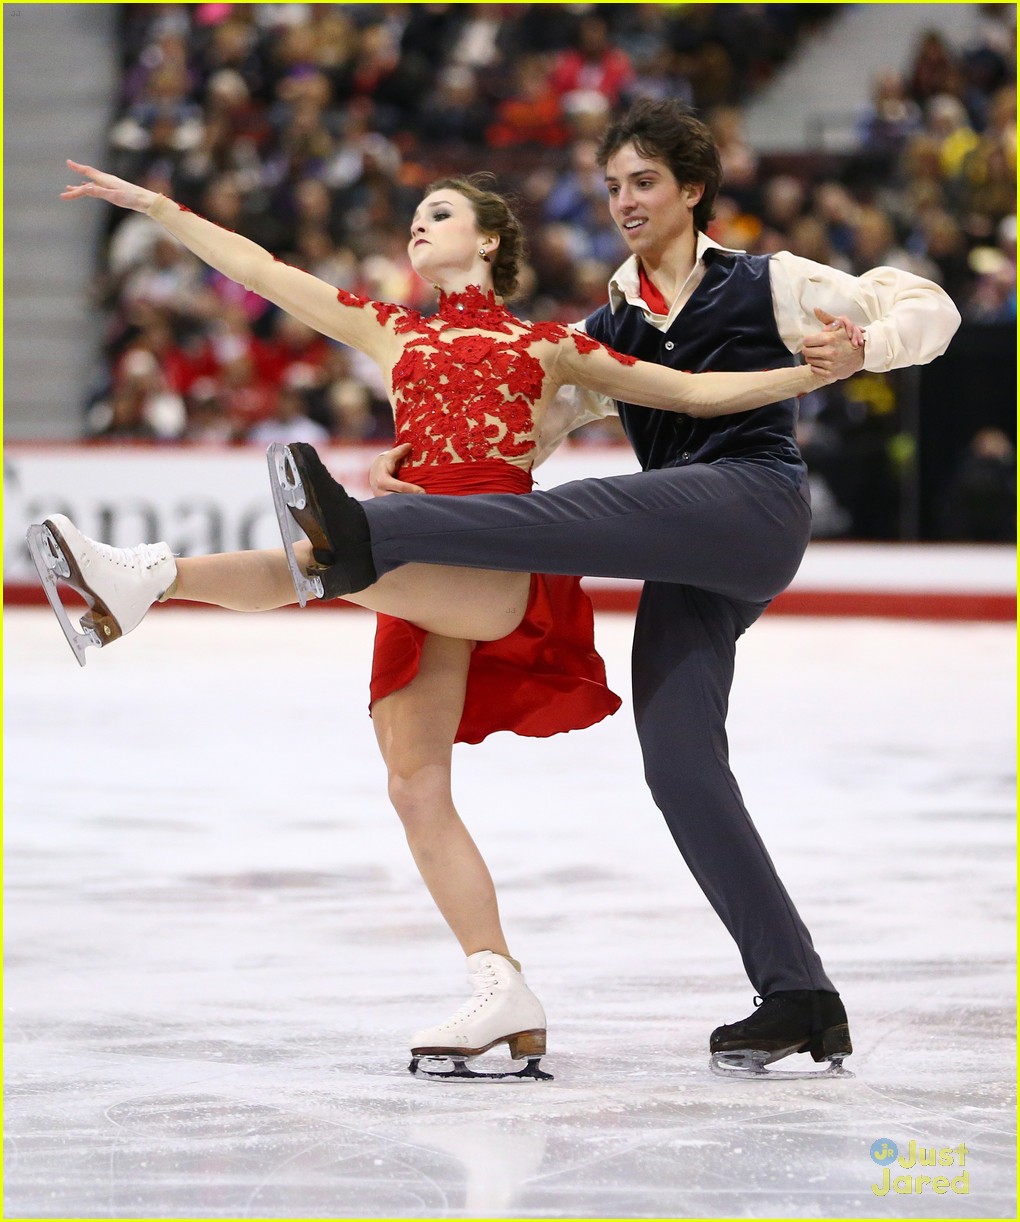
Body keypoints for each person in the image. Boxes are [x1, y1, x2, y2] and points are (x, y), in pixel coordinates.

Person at [31, 158, 857, 1080]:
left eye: (438, 213)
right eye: (415, 217)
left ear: (490, 240)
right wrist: (155, 206)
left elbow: (695, 393)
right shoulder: (392, 332)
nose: (417, 228)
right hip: (402, 563)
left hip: (487, 557)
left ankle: (152, 577)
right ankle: (500, 986)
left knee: (333, 558)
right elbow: (261, 272)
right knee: (413, 782)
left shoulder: (547, 348)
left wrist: (803, 377)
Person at [258, 100, 962, 1078]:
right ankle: (798, 992)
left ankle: (358, 536)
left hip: (754, 503)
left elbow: (927, 307)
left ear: (692, 190)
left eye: (644, 183)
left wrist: (868, 348)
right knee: (678, 764)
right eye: (614, 186)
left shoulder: (774, 283)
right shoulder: (609, 325)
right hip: (688, 555)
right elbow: (522, 438)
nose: (626, 201)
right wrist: (422, 464)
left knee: (573, 514)